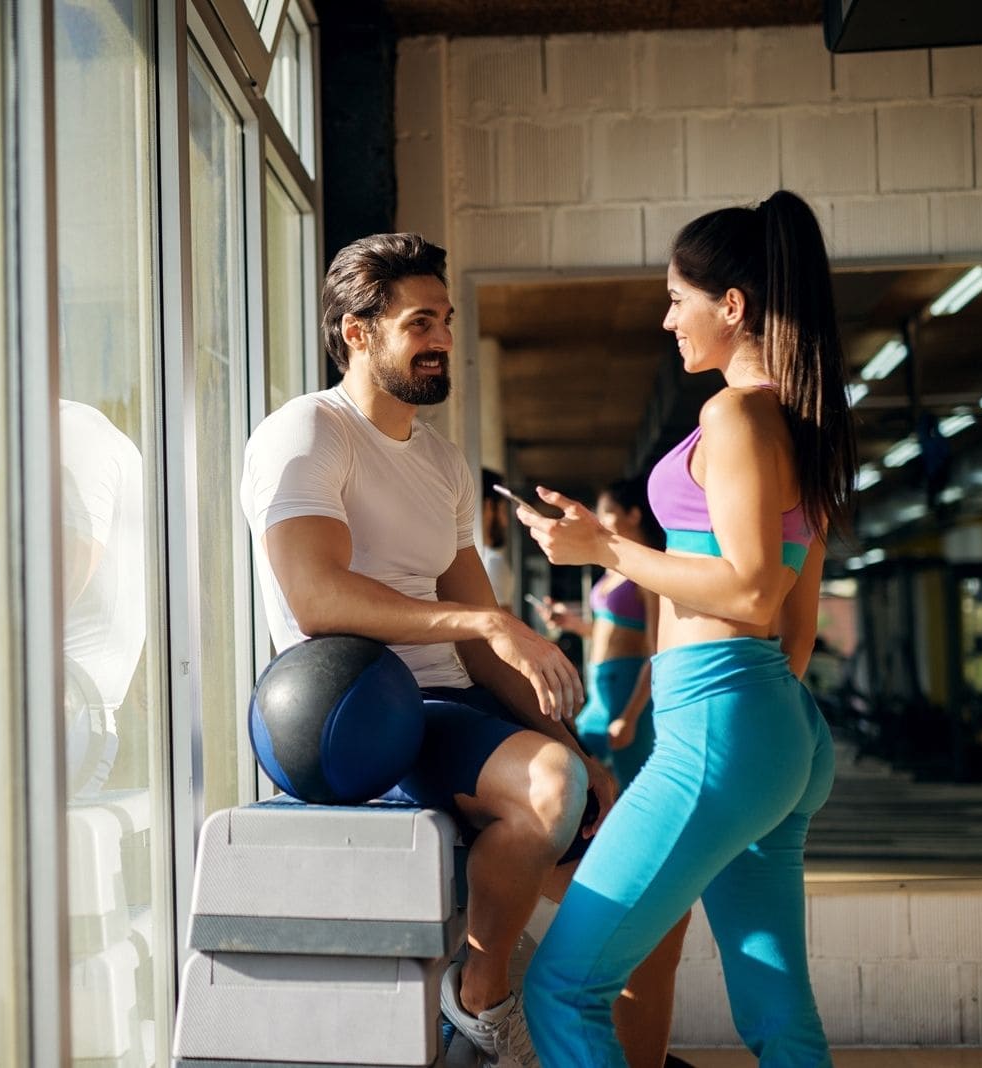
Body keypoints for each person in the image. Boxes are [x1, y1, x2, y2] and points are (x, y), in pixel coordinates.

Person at [241, 232, 622, 1068]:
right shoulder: (309, 432)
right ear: (358, 332)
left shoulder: (444, 463)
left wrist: (576, 745)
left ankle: (625, 1049)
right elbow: (316, 598)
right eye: (420, 322)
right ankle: (480, 1010)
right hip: (371, 714)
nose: (443, 338)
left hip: (459, 705)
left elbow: (487, 651)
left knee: (633, 855)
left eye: (445, 320)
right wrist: (485, 624)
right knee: (549, 793)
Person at [516, 190, 854, 1068]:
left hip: (720, 728)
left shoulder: (737, 414)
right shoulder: (803, 424)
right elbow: (796, 626)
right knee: (778, 1017)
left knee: (563, 986)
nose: (668, 319)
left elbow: (749, 594)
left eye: (677, 298)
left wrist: (608, 549)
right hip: (777, 730)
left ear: (730, 306)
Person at [541, 479, 662, 790]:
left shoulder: (649, 569)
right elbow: (612, 631)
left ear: (633, 515)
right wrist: (572, 623)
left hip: (628, 687)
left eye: (607, 512)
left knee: (632, 783)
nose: (598, 518)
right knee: (577, 761)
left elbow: (656, 649)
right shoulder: (612, 568)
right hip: (599, 684)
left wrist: (631, 715)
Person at [479, 467, 517, 607]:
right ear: (489, 507)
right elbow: (503, 628)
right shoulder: (492, 564)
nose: (506, 522)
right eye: (503, 510)